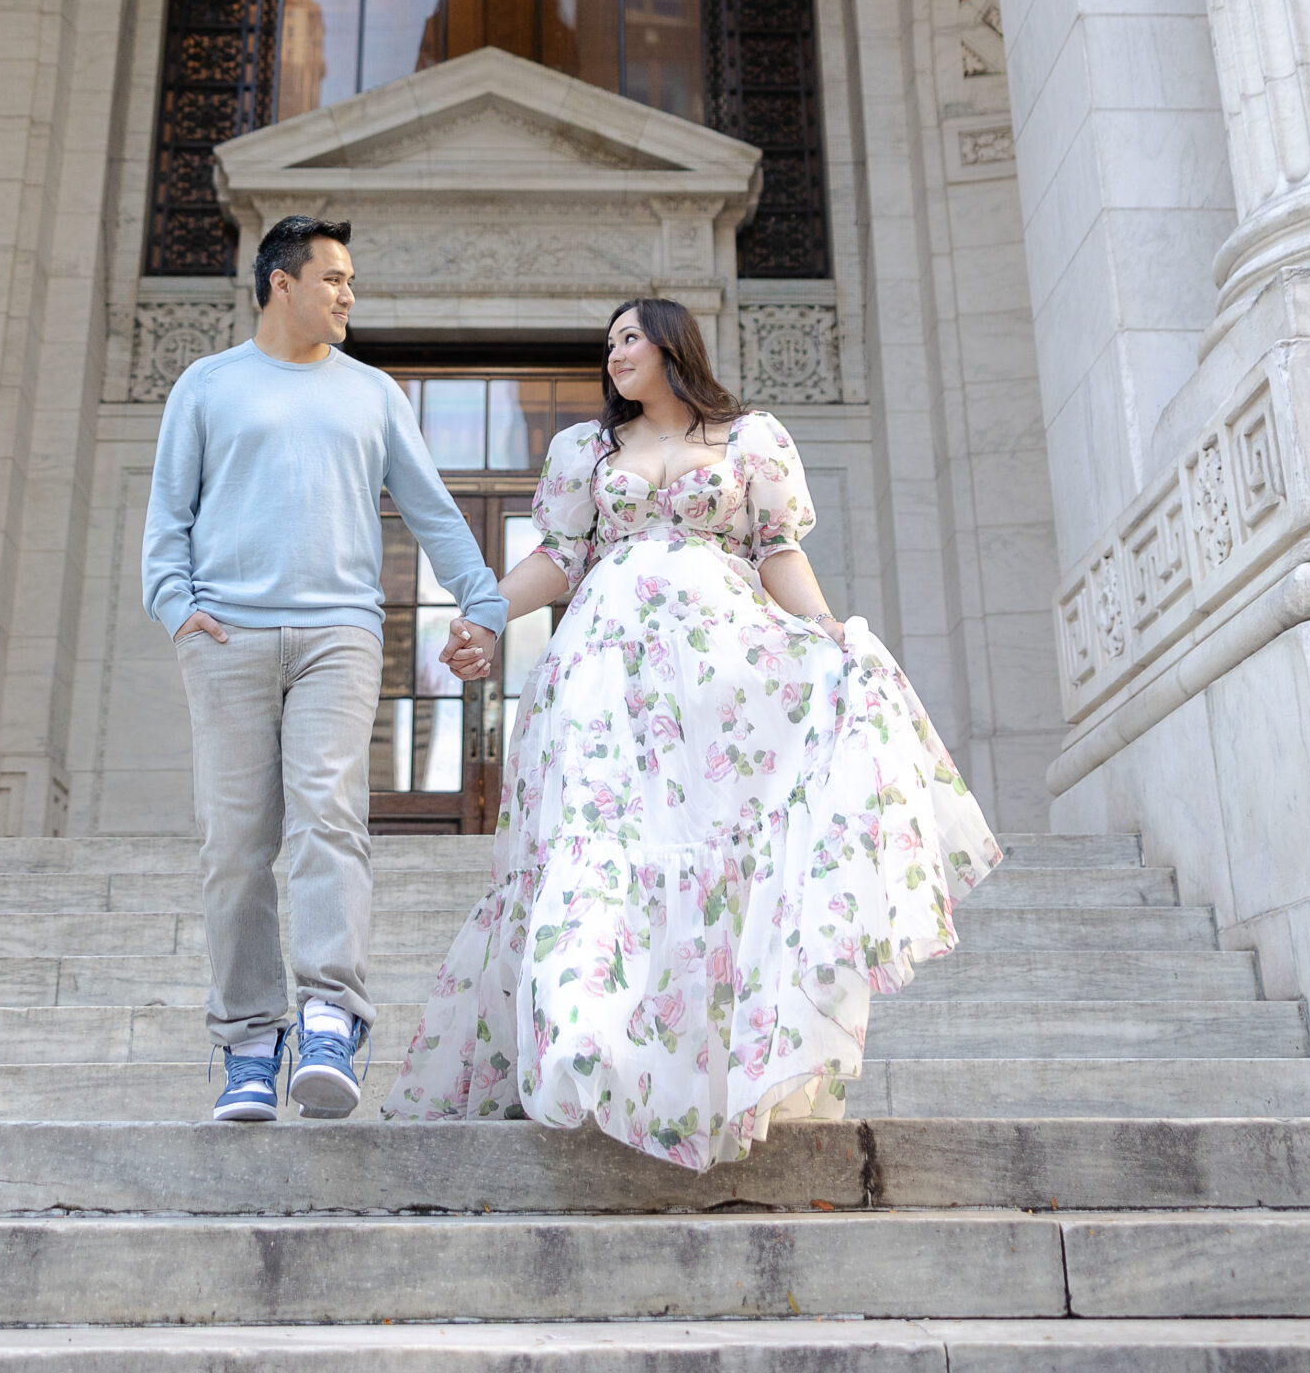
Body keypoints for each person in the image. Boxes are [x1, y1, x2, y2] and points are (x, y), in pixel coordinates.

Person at [388, 296, 1000, 1171]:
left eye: (629, 338)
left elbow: (777, 550)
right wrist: (483, 616)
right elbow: (557, 559)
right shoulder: (586, 452)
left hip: (724, 679)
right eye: (608, 345)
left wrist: (827, 634)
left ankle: (699, 1070)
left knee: (708, 854)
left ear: (674, 344)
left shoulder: (752, 440)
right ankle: (585, 1037)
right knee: (599, 842)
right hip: (604, 675)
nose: (614, 355)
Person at [142, 213, 507, 1124]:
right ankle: (248, 1043)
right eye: (335, 278)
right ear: (282, 284)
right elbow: (166, 520)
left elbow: (432, 510)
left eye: (351, 281)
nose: (348, 295)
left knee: (329, 821)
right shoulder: (208, 385)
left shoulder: (373, 393)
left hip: (339, 635)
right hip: (226, 638)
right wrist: (177, 607)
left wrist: (486, 604)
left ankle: (331, 1018)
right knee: (234, 845)